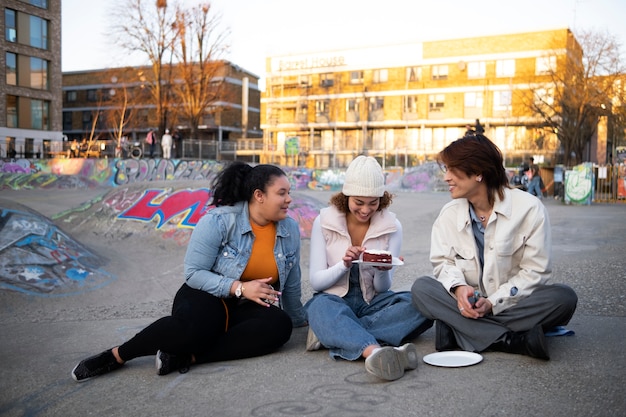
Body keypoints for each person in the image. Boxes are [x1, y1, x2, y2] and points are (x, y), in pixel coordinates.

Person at [71, 162, 307, 382]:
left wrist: (298, 319)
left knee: (279, 327)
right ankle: (118, 355)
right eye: (282, 193)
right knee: (199, 330)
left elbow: (293, 277)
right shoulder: (219, 221)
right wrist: (240, 287)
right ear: (259, 195)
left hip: (248, 306)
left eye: (289, 193)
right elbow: (194, 273)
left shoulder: (289, 229)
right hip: (206, 295)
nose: (289, 199)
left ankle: (187, 357)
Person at [411, 134, 577, 361]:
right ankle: (512, 341)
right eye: (446, 169)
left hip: (511, 303)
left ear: (478, 173)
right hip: (466, 304)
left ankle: (460, 331)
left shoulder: (529, 209)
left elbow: (535, 271)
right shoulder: (448, 215)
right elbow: (443, 263)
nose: (446, 177)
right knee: (422, 289)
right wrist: (459, 288)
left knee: (564, 298)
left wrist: (492, 302)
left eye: (453, 170)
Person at [305, 155, 433, 381]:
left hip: (372, 301)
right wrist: (343, 265)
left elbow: (383, 289)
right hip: (334, 299)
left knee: (421, 305)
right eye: (359, 202)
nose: (365, 210)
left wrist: (382, 270)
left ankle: (334, 333)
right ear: (346, 197)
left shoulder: (392, 226)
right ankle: (373, 351)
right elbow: (317, 282)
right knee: (319, 307)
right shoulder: (324, 221)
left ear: (381, 199)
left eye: (373, 203)